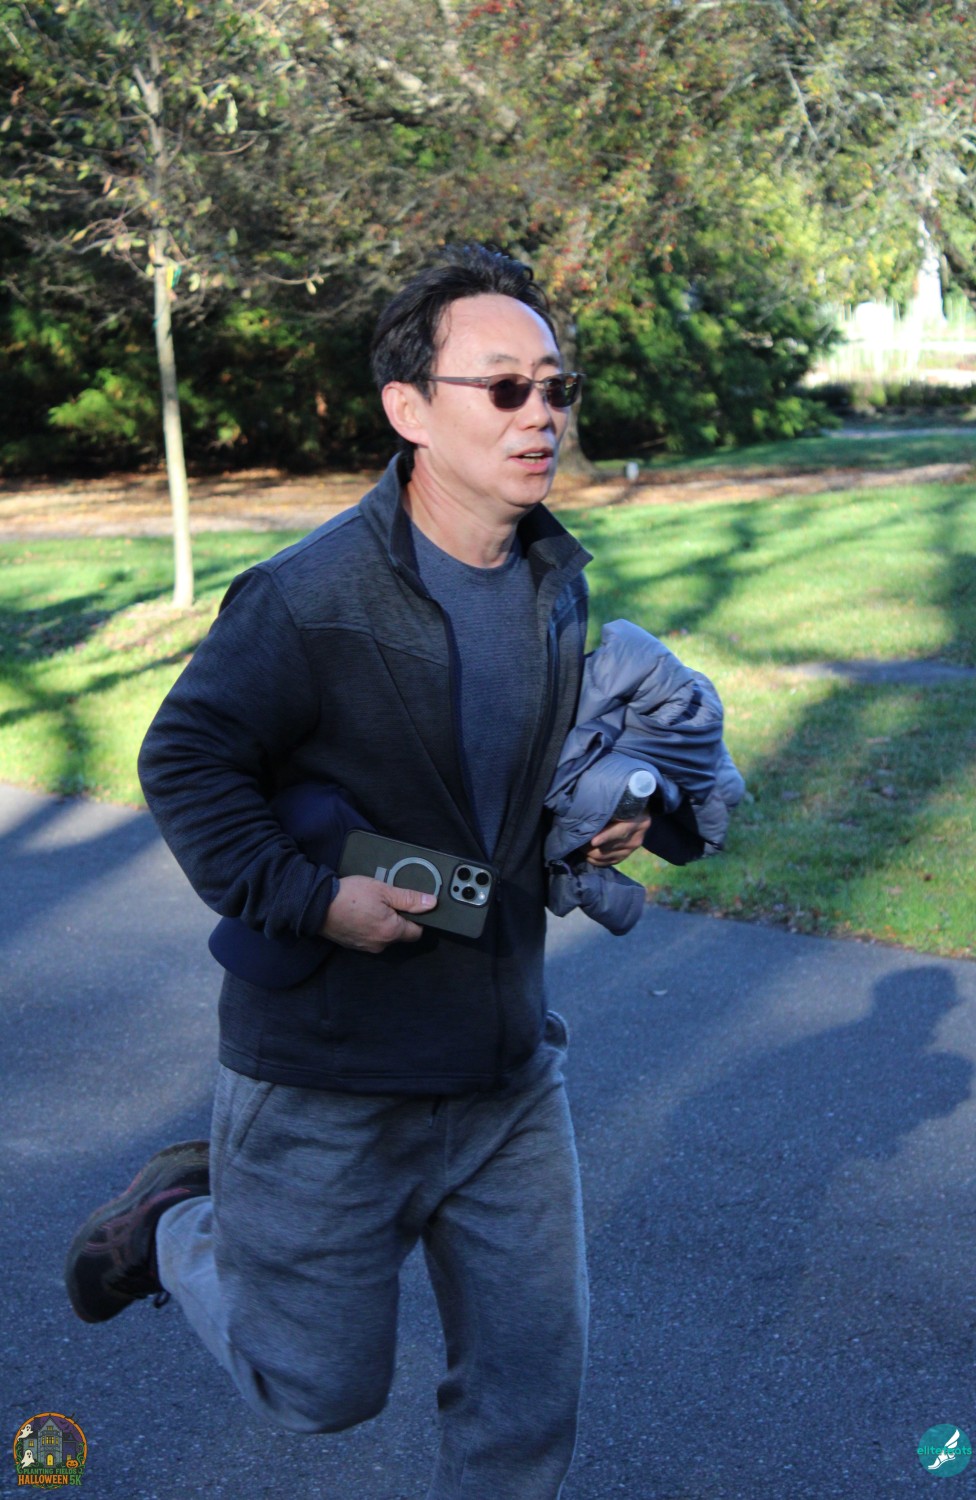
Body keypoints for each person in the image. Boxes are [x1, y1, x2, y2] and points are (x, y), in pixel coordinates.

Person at [64, 243, 650, 1499]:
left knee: (530, 1398)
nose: (541, 414)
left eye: (555, 387)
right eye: (504, 387)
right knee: (317, 1390)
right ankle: (176, 1225)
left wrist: (584, 829)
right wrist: (313, 898)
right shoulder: (307, 597)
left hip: (505, 1069)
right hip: (329, 1079)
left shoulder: (553, 584)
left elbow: (499, 790)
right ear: (407, 409)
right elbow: (186, 761)